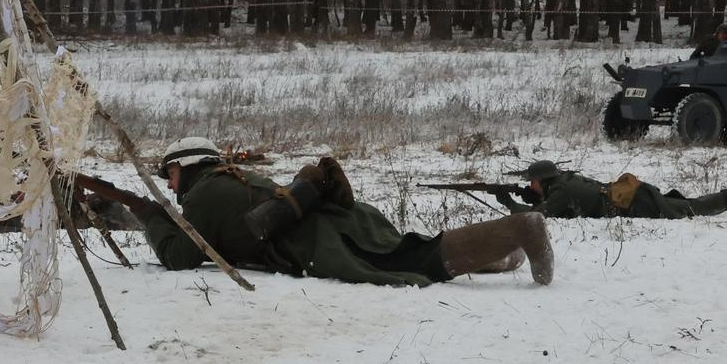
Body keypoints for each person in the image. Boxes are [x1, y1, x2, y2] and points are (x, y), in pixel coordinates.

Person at [98, 140, 555, 286]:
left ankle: (521, 227)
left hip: (325, 240)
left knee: (417, 263)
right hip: (343, 222)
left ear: (191, 166)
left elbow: (181, 254)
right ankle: (500, 250)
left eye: (171, 174)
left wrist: (148, 213)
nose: (171, 185)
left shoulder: (204, 195)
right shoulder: (229, 181)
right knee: (408, 250)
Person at [511, 160, 727, 220]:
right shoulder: (563, 181)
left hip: (636, 202)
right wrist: (532, 195)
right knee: (694, 204)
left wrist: (507, 202)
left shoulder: (561, 190)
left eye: (533, 182)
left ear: (543, 180)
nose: (531, 185)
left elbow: (536, 216)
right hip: (632, 194)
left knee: (696, 208)